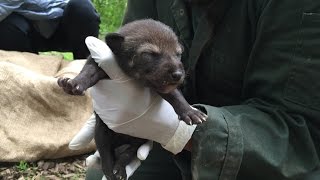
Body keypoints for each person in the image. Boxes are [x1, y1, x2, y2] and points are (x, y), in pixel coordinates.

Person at [70, 0, 320, 179]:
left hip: (270, 153)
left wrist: (181, 132)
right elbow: (124, 53)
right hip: (164, 136)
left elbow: (303, 137)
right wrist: (116, 94)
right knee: (103, 172)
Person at [0, 0, 100, 59]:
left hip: (65, 25)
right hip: (25, 32)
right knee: (6, 24)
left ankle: (85, 69)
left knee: (82, 7)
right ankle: (30, 72)